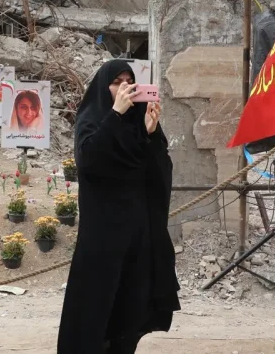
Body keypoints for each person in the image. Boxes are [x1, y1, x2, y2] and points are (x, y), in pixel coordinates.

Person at [57, 60, 179, 354]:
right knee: (95, 309)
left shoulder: (138, 122)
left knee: (131, 308)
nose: (124, 87)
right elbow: (88, 160)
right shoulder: (92, 119)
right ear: (104, 87)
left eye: (129, 81)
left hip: (137, 236)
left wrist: (150, 135)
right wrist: (114, 114)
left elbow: (157, 171)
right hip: (102, 237)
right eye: (116, 82)